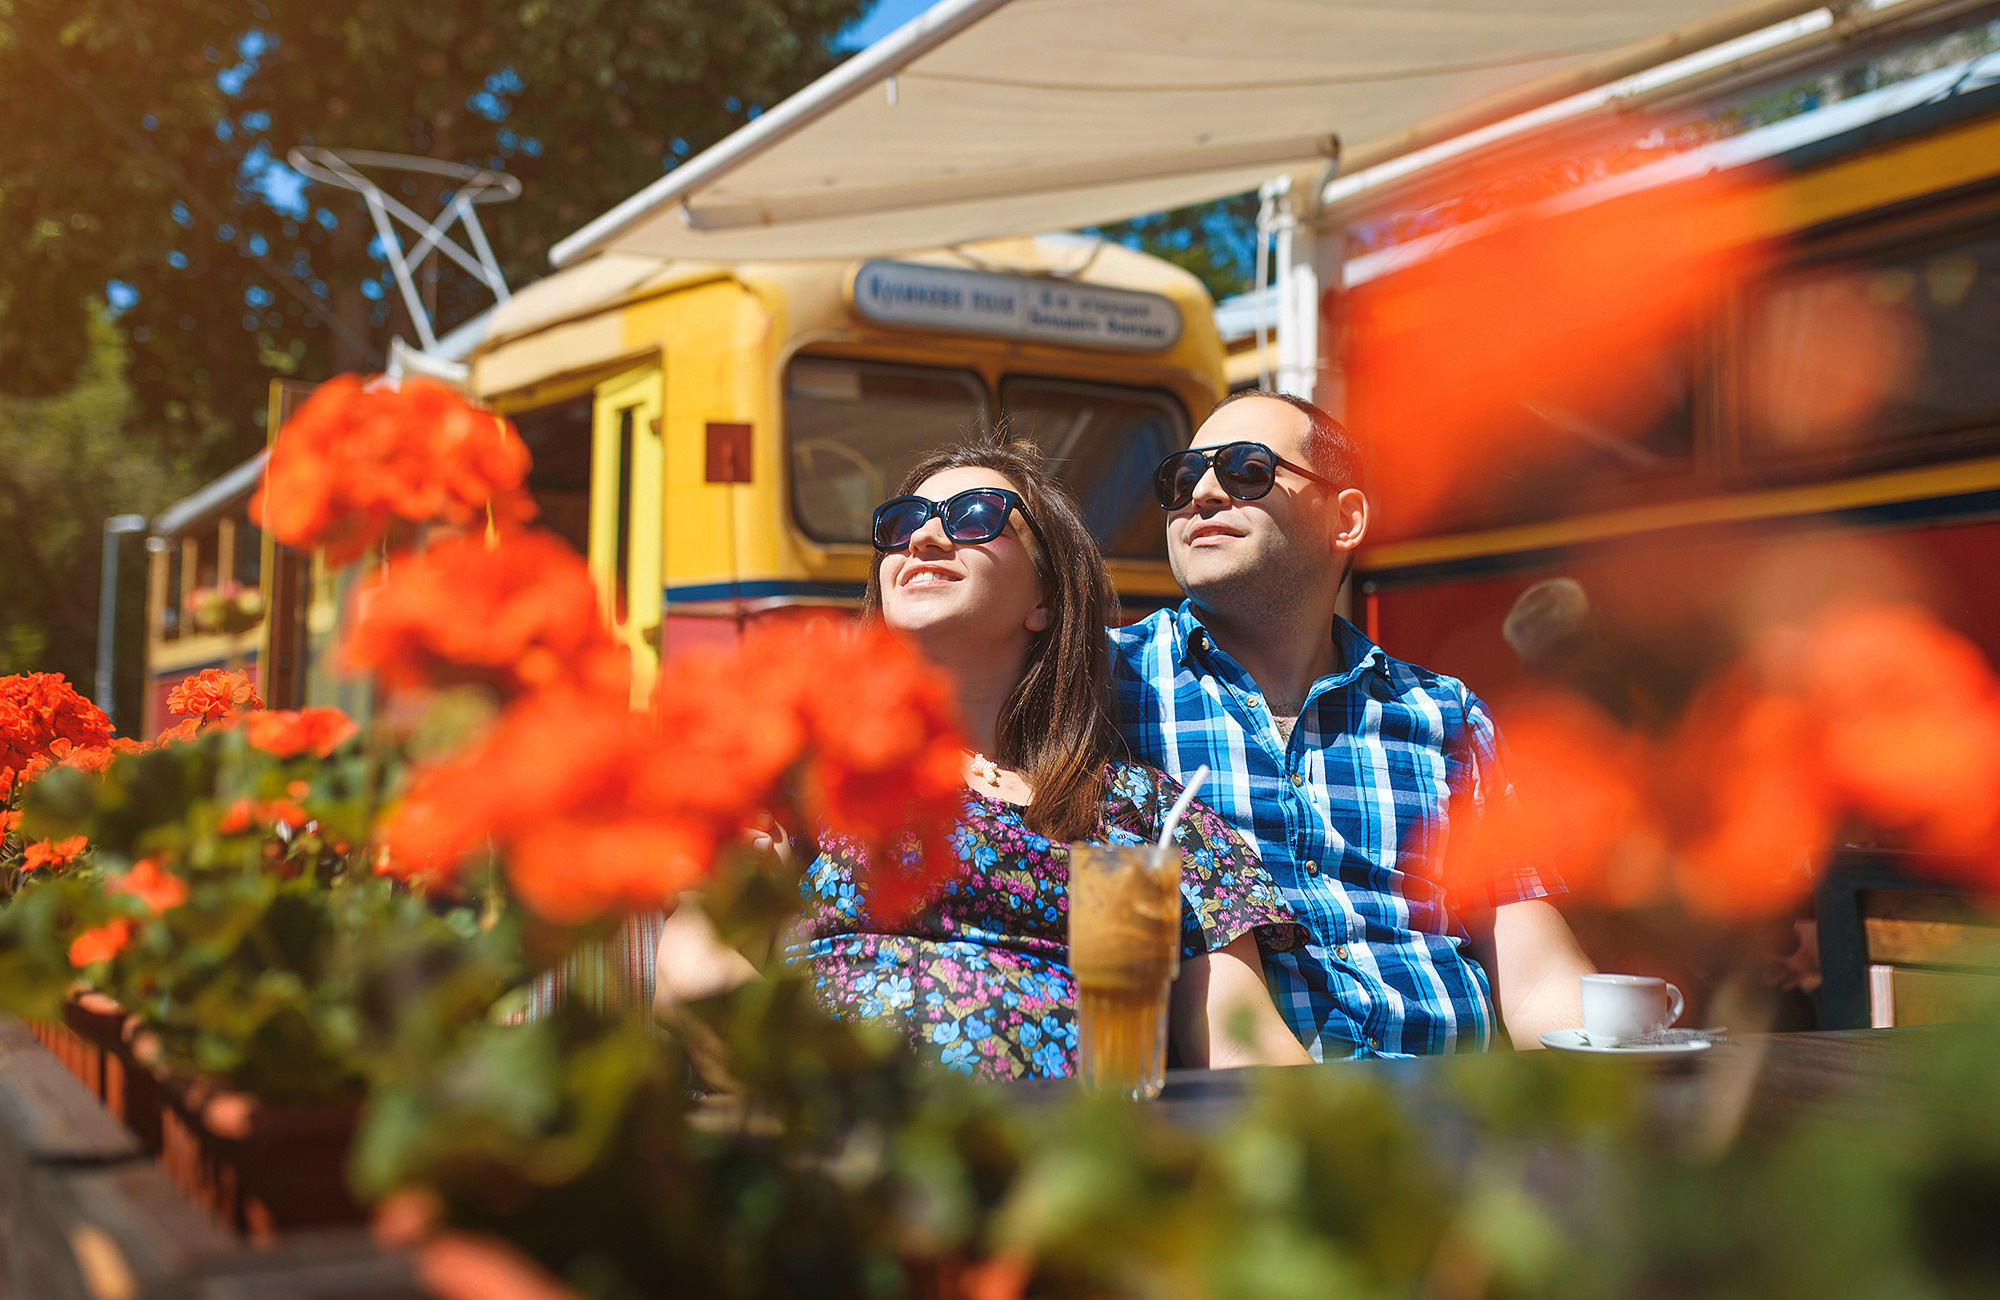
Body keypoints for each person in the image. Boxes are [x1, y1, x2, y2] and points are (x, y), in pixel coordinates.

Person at [658, 440, 1311, 1081]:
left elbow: (1237, 1043)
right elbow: (696, 971)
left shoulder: (1134, 814)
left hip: (1074, 1141)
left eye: (975, 516)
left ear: (1044, 600)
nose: (923, 539)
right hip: (848, 1127)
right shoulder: (806, 772)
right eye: (900, 524)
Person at [1110, 390, 1596, 1058]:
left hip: (1462, 1100)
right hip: (1267, 1105)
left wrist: (1610, 1079)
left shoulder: (1446, 714)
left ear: (1345, 519)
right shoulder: (1103, 687)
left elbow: (1537, 974)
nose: (1202, 494)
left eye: (1246, 469)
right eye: (1182, 477)